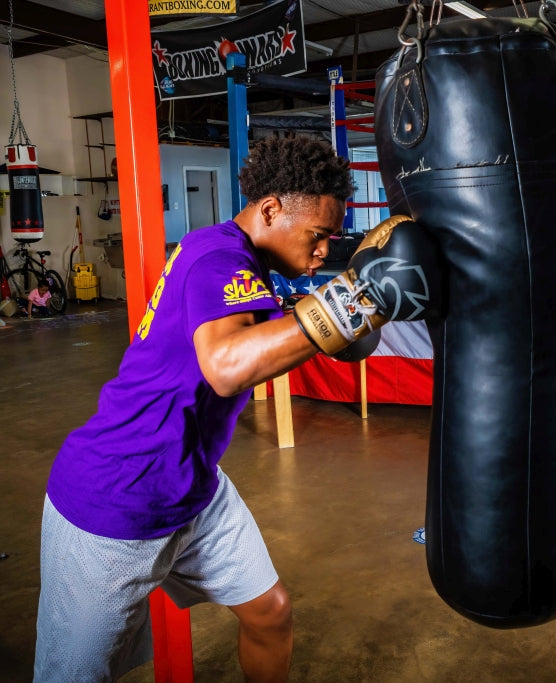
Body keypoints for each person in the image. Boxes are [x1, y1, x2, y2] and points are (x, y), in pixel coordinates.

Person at [33, 135, 392, 682]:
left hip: (195, 487)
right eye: (319, 236)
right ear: (271, 209)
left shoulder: (238, 260)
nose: (324, 252)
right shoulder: (217, 256)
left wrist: (348, 310)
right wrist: (345, 308)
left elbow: (264, 329)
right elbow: (224, 367)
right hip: (117, 495)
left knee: (270, 612)